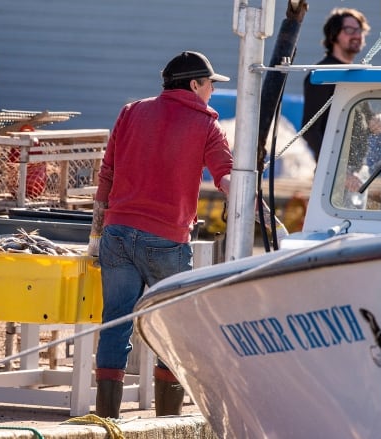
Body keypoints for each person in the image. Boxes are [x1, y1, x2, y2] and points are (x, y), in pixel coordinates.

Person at [87, 51, 233, 419]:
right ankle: (167, 421)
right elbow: (226, 175)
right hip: (166, 240)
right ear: (194, 84)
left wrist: (96, 235)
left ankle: (106, 420)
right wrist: (250, 202)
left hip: (117, 233)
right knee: (175, 328)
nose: (213, 90)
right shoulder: (207, 125)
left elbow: (107, 173)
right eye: (211, 83)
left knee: (114, 323)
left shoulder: (131, 111)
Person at [302, 7, 371, 161]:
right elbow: (310, 130)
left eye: (359, 30)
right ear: (333, 36)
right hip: (333, 175)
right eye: (349, 30)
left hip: (355, 172)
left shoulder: (356, 73)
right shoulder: (322, 75)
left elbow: (368, 118)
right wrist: (334, 167)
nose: (357, 35)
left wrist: (380, 120)